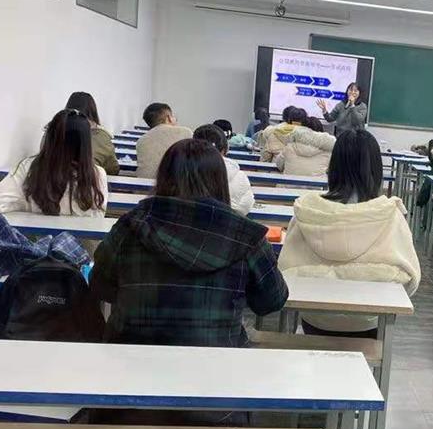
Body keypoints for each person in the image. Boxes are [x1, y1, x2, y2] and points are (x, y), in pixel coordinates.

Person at [89, 139, 287, 346]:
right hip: (216, 359)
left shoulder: (131, 224)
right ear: (220, 181)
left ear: (163, 177)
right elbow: (272, 301)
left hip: (129, 356)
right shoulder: (247, 236)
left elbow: (100, 285)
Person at [278, 130, 420, 336]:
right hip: (370, 321)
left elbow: (283, 268)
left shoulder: (307, 211)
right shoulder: (391, 215)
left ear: (333, 166)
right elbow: (411, 279)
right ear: (376, 170)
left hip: (315, 318)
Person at [0, 109, 107, 217]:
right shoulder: (97, 174)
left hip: (35, 231)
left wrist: (24, 205)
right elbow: (99, 216)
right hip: (82, 232)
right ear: (87, 145)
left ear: (50, 138)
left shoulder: (30, 167)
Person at [193, 124, 256, 215]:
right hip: (227, 222)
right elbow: (245, 207)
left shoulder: (181, 170)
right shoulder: (240, 176)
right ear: (225, 149)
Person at [65, 91, 120, 175]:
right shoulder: (102, 137)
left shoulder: (53, 132)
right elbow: (113, 169)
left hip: (54, 180)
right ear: (92, 111)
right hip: (89, 180)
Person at [135, 102, 193, 179]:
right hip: (177, 184)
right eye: (173, 116)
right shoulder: (186, 132)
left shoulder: (141, 141)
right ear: (169, 118)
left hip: (145, 185)